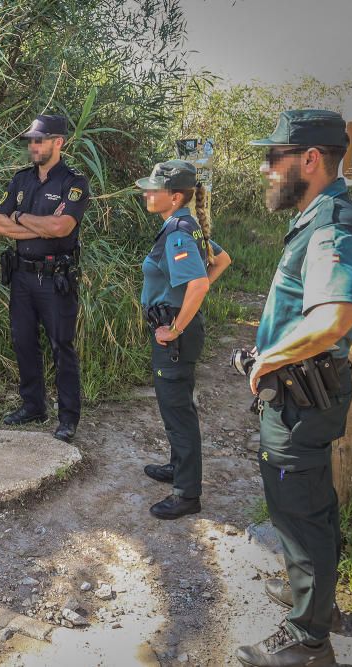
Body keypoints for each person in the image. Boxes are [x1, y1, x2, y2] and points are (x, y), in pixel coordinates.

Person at [235, 110, 352, 666]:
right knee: (309, 502)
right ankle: (312, 596)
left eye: (275, 158)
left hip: (300, 395)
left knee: (297, 508)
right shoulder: (332, 215)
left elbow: (334, 317)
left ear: (310, 160)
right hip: (304, 390)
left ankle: (308, 639)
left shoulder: (332, 226)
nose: (269, 170)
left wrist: (268, 357)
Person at [135, 160, 231, 520]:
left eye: (153, 189)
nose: (147, 193)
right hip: (177, 334)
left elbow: (200, 282)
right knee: (175, 406)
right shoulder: (184, 226)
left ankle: (187, 494)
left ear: (174, 197)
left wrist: (174, 326)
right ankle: (178, 466)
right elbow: (221, 261)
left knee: (178, 413)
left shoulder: (177, 231)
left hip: (174, 339)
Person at [0, 114, 90, 443]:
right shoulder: (21, 180)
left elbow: (61, 228)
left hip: (55, 278)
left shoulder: (74, 183)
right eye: (31, 141)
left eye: (39, 140)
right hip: (21, 274)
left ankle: (68, 418)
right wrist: (35, 222)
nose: (33, 146)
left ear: (58, 142)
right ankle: (33, 405)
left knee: (61, 345)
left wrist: (19, 218)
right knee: (23, 341)